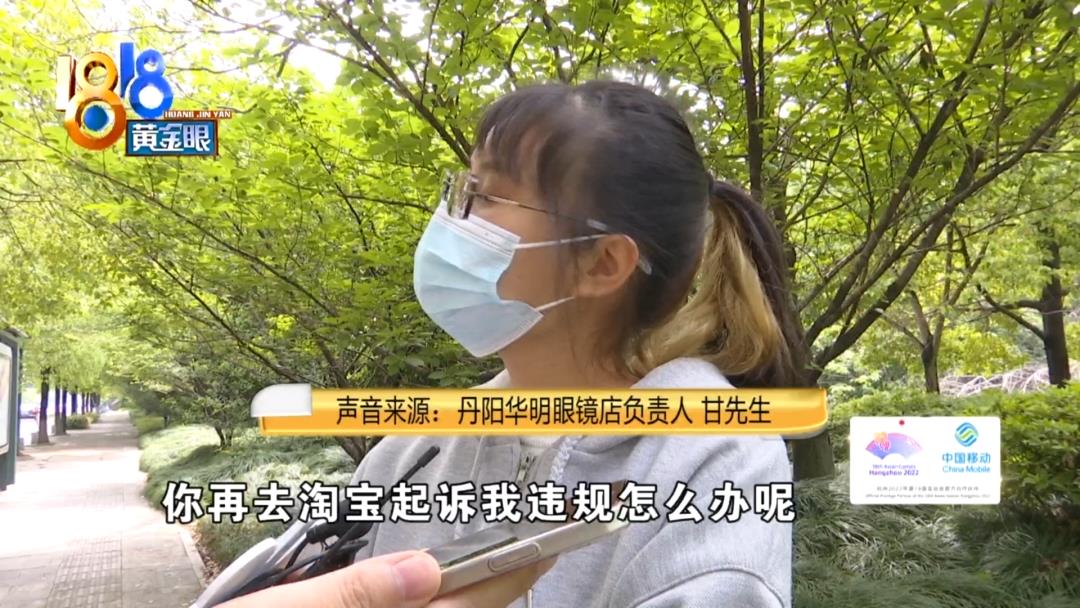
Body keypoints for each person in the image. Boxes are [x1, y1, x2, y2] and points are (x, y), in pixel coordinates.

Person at [232, 79, 801, 607]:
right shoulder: (413, 448)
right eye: (463, 186)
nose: (451, 217)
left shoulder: (712, 462)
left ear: (602, 263)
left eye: (486, 195)